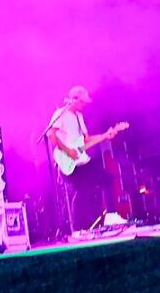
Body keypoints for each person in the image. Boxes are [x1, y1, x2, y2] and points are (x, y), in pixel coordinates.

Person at [46, 85, 118, 233]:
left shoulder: (79, 117)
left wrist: (105, 135)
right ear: (74, 99)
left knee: (107, 178)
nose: (84, 105)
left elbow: (86, 140)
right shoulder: (61, 114)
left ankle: (111, 215)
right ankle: (78, 229)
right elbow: (50, 135)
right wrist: (68, 151)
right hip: (68, 160)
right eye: (82, 102)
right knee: (82, 190)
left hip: (81, 159)